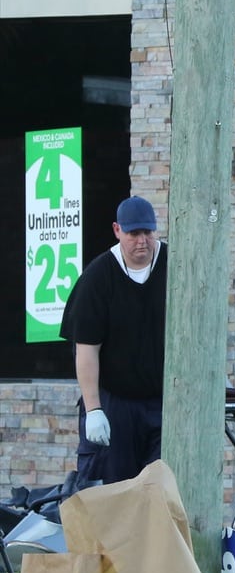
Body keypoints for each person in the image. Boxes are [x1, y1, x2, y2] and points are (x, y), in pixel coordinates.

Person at [59, 195, 168, 484]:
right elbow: (86, 349)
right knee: (112, 485)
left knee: (160, 485)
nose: (142, 241)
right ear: (117, 230)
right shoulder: (98, 278)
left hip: (163, 399)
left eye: (147, 232)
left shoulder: (175, 267)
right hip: (115, 400)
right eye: (133, 234)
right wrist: (94, 410)